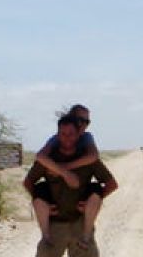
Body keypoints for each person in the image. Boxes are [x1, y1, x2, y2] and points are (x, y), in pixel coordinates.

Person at [23, 113, 118, 257]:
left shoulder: (89, 159)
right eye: (62, 134)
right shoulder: (48, 160)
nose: (66, 139)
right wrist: (42, 201)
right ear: (58, 133)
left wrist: (91, 202)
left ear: (79, 135)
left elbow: (111, 184)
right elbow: (28, 183)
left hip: (79, 226)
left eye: (71, 134)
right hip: (54, 228)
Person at [30, 104, 103, 247]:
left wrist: (63, 168)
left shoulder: (86, 139)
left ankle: (86, 236)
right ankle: (46, 236)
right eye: (80, 120)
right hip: (56, 211)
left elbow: (94, 156)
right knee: (40, 189)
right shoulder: (56, 139)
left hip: (78, 209)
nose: (84, 124)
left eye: (87, 121)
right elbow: (40, 156)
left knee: (96, 189)